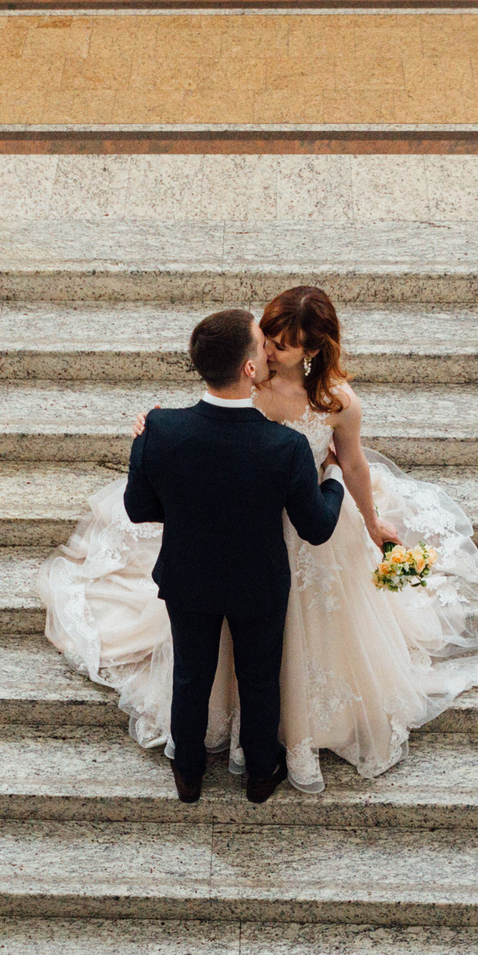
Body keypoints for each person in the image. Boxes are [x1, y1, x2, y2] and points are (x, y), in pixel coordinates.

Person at [41, 286, 478, 793]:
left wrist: (370, 520)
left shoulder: (336, 402)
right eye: (268, 337)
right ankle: (234, 739)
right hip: (240, 525)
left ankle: (280, 736)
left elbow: (354, 462)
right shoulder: (247, 377)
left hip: (308, 526)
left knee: (289, 640)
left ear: (313, 349)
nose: (270, 351)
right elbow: (214, 429)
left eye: (283, 344)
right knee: (234, 649)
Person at [103, 307, 345, 803]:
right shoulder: (286, 447)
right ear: (250, 370)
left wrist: (146, 455)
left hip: (189, 578)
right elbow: (317, 528)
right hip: (258, 584)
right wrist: (335, 480)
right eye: (262, 344)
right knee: (259, 680)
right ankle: (260, 775)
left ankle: (188, 772)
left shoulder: (161, 429)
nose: (268, 350)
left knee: (192, 675)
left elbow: (138, 507)